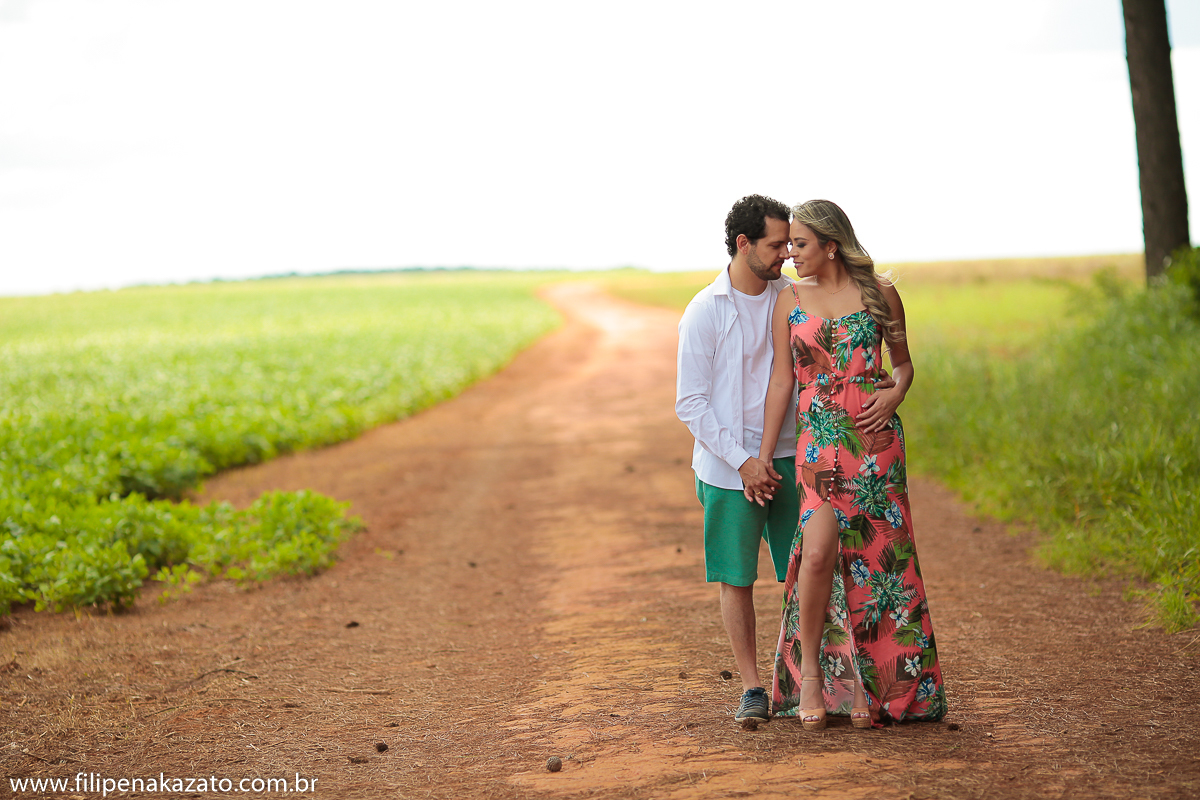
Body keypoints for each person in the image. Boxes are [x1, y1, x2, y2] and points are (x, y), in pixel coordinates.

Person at [759, 199, 947, 729]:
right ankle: (811, 676)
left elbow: (903, 365)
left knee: (879, 560)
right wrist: (764, 454)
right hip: (818, 445)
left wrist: (896, 393)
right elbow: (782, 382)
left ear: (831, 246)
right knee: (818, 555)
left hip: (875, 444)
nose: (790, 254)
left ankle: (875, 684)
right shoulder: (790, 300)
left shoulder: (881, 294)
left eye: (800, 244)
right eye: (788, 244)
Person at [675, 194, 800, 724]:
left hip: (792, 454)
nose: (786, 254)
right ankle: (752, 687)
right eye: (776, 244)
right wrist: (743, 461)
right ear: (743, 244)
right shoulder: (705, 310)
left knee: (805, 571)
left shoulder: (791, 298)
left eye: (789, 244)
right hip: (728, 469)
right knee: (737, 577)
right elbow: (690, 402)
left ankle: (806, 679)